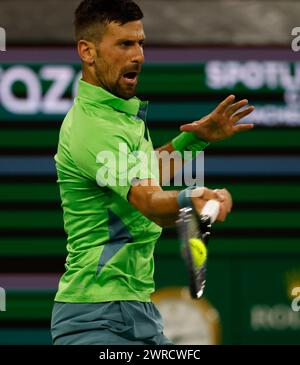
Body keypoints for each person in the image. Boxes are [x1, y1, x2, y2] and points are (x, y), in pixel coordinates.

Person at [51, 0, 254, 345]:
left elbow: (141, 174)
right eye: (124, 44)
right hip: (94, 321)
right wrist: (192, 196)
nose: (139, 55)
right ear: (87, 51)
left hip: (139, 312)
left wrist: (194, 140)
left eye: (140, 43)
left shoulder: (121, 118)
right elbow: (148, 200)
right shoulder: (93, 125)